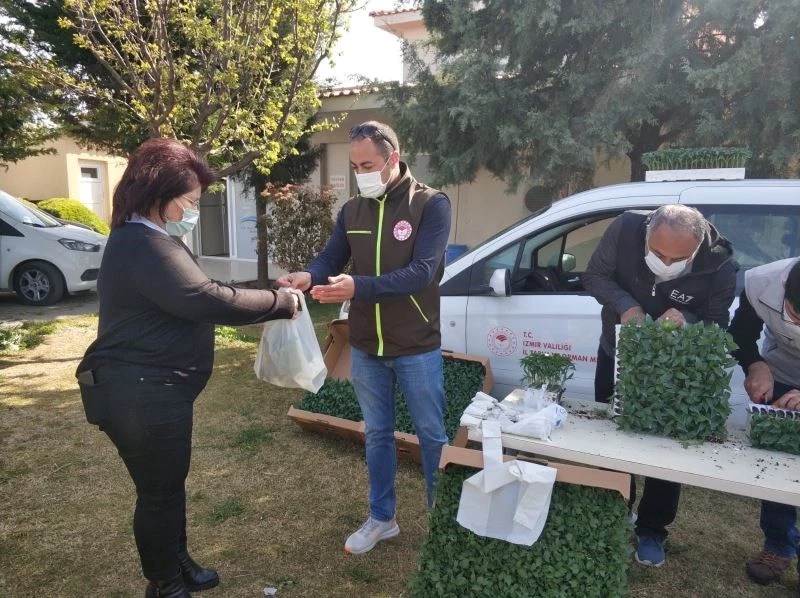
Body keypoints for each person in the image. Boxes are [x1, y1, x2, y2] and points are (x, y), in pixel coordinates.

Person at [77, 138, 299, 598]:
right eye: (191, 201)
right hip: (140, 391)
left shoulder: (151, 239)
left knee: (168, 485)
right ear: (159, 194)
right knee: (157, 493)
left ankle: (177, 563)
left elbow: (199, 287)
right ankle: (163, 584)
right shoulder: (142, 244)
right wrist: (280, 302)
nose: (194, 210)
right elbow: (203, 298)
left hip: (153, 389)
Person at [278, 121, 452, 555]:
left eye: (368, 165)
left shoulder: (430, 204)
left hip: (416, 344)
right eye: (355, 167)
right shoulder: (352, 210)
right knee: (377, 434)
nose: (361, 174)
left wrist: (358, 286)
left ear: (393, 159)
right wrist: (309, 275)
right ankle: (382, 518)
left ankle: (443, 523)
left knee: (432, 436)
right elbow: (331, 257)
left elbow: (421, 273)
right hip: (366, 344)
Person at [583, 204, 738, 567]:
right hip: (616, 351)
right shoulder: (625, 228)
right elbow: (595, 276)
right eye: (657, 253)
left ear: (697, 248)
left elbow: (718, 321)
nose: (665, 263)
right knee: (612, 436)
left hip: (675, 370)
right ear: (648, 234)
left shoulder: (720, 265)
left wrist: (689, 318)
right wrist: (626, 305)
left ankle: (652, 529)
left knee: (667, 448)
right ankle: (615, 510)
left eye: (678, 259)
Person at [729, 257, 800, 587]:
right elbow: (741, 335)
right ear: (784, 287)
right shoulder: (761, 282)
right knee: (776, 464)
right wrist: (755, 365)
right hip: (781, 374)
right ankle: (778, 546)